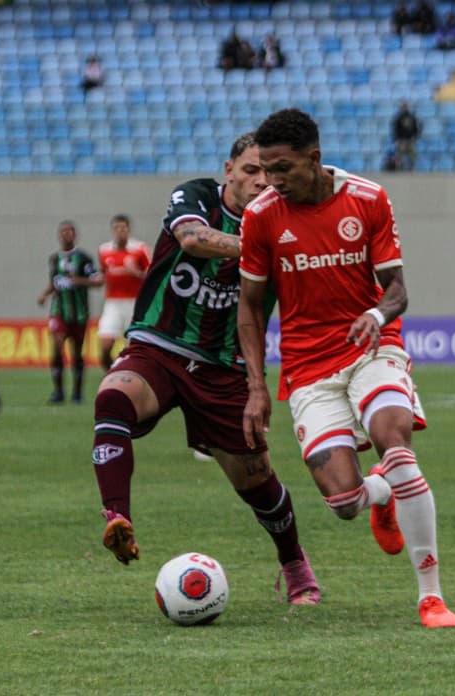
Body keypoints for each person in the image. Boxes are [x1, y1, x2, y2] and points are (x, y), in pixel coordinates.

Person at [238, 108, 455, 629]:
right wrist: (256, 384)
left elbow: (398, 288)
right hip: (308, 367)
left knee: (395, 439)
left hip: (370, 346)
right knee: (343, 501)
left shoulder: (368, 198)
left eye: (283, 168)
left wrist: (376, 313)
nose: (271, 180)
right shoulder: (262, 216)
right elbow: (250, 306)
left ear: (314, 159)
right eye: (265, 169)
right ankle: (378, 495)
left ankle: (431, 598)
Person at [90, 133, 320, 605]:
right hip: (160, 345)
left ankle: (294, 562)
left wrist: (259, 386)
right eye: (251, 170)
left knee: (257, 482)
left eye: (269, 173)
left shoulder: (285, 223)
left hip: (224, 367)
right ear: (229, 169)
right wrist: (259, 247)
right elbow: (192, 241)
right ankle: (117, 517)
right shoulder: (195, 195)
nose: (261, 181)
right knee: (113, 396)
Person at [37, 221, 104, 404]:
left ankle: (77, 392)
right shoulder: (54, 259)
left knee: (76, 352)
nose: (66, 235)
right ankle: (58, 391)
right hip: (59, 311)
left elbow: (98, 281)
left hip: (79, 313)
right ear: (59, 236)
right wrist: (44, 294)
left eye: (69, 232)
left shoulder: (84, 258)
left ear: (76, 235)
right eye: (63, 232)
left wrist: (78, 281)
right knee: (57, 347)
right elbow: (55, 281)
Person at [96, 214, 151, 371]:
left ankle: (133, 377)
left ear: (129, 229)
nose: (120, 231)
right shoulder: (104, 250)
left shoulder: (140, 249)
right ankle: (111, 374)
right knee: (105, 346)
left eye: (123, 228)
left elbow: (153, 276)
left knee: (133, 348)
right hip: (112, 303)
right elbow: (102, 273)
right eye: (117, 228)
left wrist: (137, 272)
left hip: (135, 303)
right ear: (113, 230)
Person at [391, 101, 421, 171]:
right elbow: (395, 129)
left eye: (404, 106)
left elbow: (415, 127)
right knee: (400, 155)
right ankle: (400, 169)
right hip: (401, 140)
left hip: (410, 139)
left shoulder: (411, 116)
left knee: (413, 155)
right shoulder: (398, 117)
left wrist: (415, 137)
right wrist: (396, 139)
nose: (403, 108)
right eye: (402, 106)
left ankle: (411, 168)